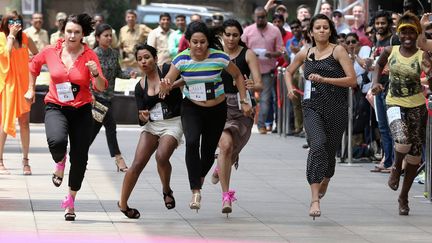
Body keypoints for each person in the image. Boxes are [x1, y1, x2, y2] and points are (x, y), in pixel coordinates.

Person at [160, 21, 252, 212]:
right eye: (195, 42)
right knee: (192, 142)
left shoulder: (219, 57)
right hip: (192, 108)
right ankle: (196, 190)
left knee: (209, 151)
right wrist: (165, 84)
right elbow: (169, 78)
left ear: (207, 42)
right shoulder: (181, 59)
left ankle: (199, 177)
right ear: (188, 42)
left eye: (203, 42)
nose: (199, 46)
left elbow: (237, 75)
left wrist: (244, 100)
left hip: (217, 110)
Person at [27, 13, 107, 221]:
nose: (72, 35)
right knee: (57, 142)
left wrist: (95, 74)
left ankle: (70, 201)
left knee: (80, 158)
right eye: (69, 31)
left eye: (77, 32)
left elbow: (101, 87)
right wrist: (30, 89)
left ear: (83, 35)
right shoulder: (50, 51)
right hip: (56, 106)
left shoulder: (90, 56)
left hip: (81, 110)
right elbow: (33, 66)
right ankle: (60, 160)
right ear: (63, 31)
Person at [284, 14, 356, 220]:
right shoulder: (306, 53)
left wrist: (325, 79)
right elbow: (288, 72)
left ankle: (326, 177)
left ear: (330, 30)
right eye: (318, 27)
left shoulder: (338, 50)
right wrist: (290, 89)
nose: (322, 30)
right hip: (312, 106)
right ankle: (314, 198)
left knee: (329, 151)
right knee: (317, 145)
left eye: (326, 27)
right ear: (311, 32)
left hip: (336, 107)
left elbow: (352, 80)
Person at [118, 43, 183, 218]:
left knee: (161, 156)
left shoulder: (168, 69)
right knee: (137, 164)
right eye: (139, 59)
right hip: (152, 125)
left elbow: (187, 79)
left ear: (155, 58)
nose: (143, 61)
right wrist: (143, 116)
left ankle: (166, 190)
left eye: (147, 57)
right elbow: (140, 118)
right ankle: (123, 205)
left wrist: (172, 85)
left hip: (173, 121)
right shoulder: (140, 86)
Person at [372, 12, 427, 216]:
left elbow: (429, 73)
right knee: (402, 140)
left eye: (412, 32)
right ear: (398, 32)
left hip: (417, 107)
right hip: (393, 102)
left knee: (414, 156)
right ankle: (395, 167)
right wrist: (376, 82)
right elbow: (378, 65)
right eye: (404, 32)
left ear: (417, 34)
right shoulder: (390, 50)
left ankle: (404, 196)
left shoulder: (422, 55)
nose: (407, 36)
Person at [210, 19, 263, 216]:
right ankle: (226, 196)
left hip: (243, 108)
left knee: (231, 150)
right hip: (219, 105)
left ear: (240, 36)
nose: (231, 38)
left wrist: (250, 85)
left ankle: (220, 167)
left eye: (235, 35)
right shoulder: (215, 54)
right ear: (221, 35)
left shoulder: (247, 54)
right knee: (224, 146)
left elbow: (260, 84)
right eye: (227, 34)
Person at [89, 23, 135, 172]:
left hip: (109, 97)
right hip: (96, 98)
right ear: (98, 37)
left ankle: (77, 153)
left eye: (110, 35)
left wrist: (130, 75)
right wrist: (90, 95)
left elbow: (118, 73)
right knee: (111, 126)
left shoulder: (115, 54)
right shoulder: (92, 54)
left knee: (93, 130)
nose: (109, 38)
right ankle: (118, 158)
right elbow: (87, 77)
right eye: (105, 35)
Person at [0, 10, 38, 175]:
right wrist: (11, 36)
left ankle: (25, 160)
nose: (15, 24)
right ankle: (0, 160)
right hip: (8, 85)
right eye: (11, 22)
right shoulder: (1, 37)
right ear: (5, 23)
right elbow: (6, 54)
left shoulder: (25, 38)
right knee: (4, 123)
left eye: (17, 21)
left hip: (24, 85)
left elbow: (37, 55)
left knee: (24, 122)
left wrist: (30, 62)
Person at [242, 7, 283, 134]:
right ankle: (246, 122)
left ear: (266, 16)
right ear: (254, 17)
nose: (260, 19)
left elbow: (280, 51)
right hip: (249, 71)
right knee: (247, 97)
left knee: (265, 99)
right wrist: (250, 53)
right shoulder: (248, 31)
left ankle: (261, 125)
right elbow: (241, 48)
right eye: (258, 17)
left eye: (263, 17)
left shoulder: (275, 31)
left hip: (267, 70)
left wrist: (271, 54)